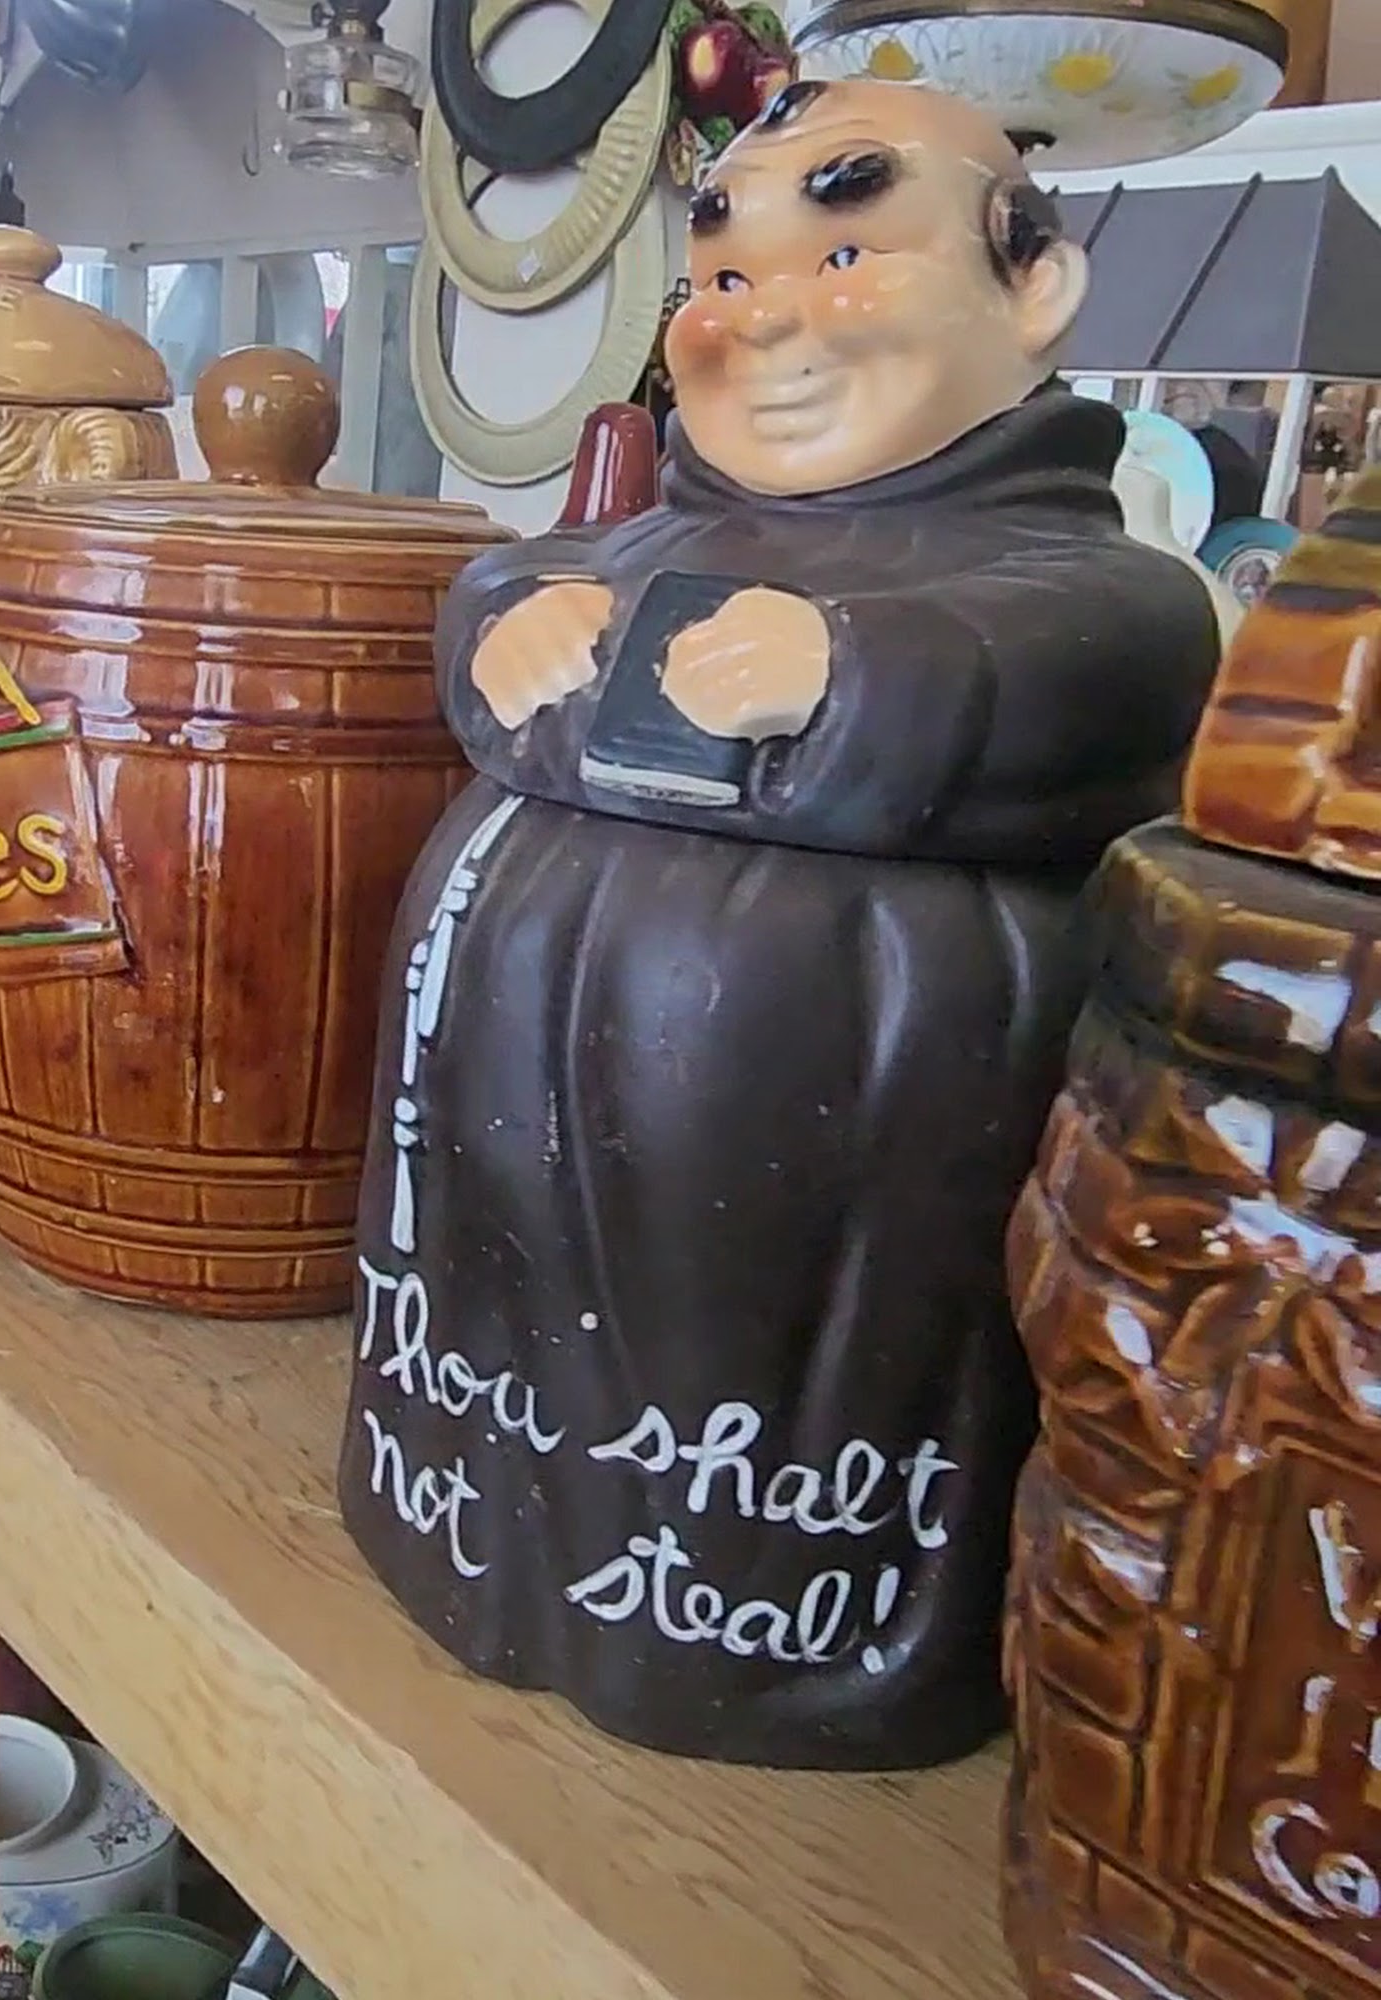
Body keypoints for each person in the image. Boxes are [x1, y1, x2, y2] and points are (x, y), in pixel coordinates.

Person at [337, 78, 1223, 1768]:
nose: (765, 319)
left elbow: (1094, 668)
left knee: (775, 1395)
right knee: (517, 1331)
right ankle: (475, 1528)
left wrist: (854, 674)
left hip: (834, 1233)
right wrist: (506, 628)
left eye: (847, 251)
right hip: (497, 1194)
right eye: (727, 275)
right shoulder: (635, 548)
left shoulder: (1092, 594)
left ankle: (773, 1635)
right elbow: (521, 583)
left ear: (1033, 281)